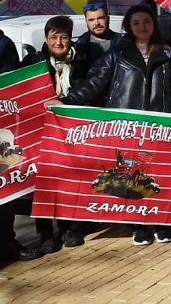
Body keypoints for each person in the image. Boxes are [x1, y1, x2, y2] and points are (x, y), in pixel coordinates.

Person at [61, 5, 171, 246]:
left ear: (153, 24)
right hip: (126, 127)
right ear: (128, 26)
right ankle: (138, 225)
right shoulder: (117, 53)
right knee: (130, 178)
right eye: (136, 23)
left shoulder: (169, 54)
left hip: (160, 125)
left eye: (146, 21)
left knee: (158, 176)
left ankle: (162, 222)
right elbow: (94, 83)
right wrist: (65, 102)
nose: (141, 26)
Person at [23, 16, 92, 253]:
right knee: (43, 181)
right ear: (45, 39)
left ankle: (69, 228)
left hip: (71, 132)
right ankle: (45, 234)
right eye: (54, 37)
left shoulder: (84, 62)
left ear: (70, 38)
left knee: (69, 179)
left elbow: (90, 90)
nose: (59, 42)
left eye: (63, 37)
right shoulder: (32, 63)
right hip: (40, 133)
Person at [0, 33, 41, 262]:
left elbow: (10, 86)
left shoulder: (3, 44)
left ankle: (6, 242)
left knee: (4, 188)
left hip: (1, 129)